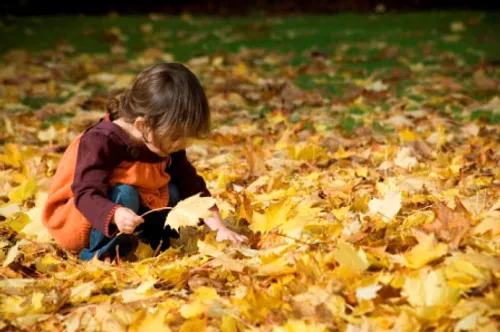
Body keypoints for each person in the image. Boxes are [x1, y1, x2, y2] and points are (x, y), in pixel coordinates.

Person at [42, 63, 247, 261]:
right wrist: (115, 214)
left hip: (130, 214)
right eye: (176, 137)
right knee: (126, 193)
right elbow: (86, 194)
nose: (181, 144)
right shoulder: (100, 141)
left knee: (174, 190)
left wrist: (219, 227)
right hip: (81, 218)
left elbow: (191, 185)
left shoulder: (160, 139)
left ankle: (152, 244)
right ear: (142, 126)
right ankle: (101, 254)